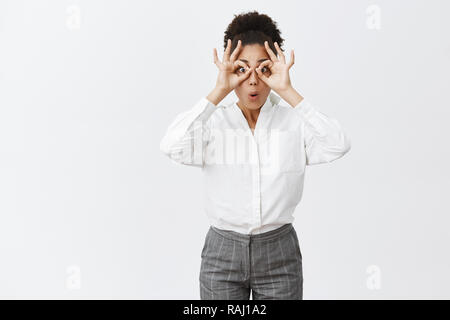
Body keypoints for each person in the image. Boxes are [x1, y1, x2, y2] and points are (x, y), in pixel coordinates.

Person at [159, 10, 351, 300]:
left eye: (263, 69)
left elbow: (338, 143)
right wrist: (219, 90)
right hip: (221, 254)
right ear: (229, 71)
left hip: (279, 253)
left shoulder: (294, 122)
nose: (252, 80)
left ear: (275, 69)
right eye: (241, 69)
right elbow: (172, 145)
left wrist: (288, 91)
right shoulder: (212, 124)